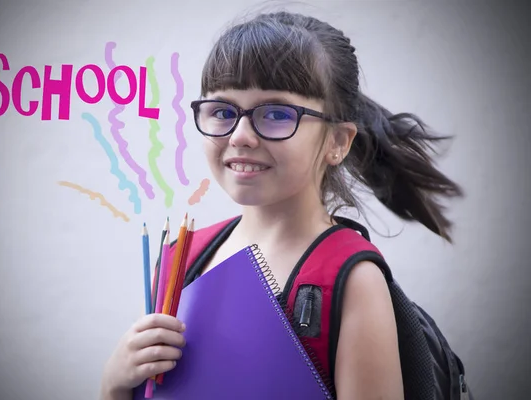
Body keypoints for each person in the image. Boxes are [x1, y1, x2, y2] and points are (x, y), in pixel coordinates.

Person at [99, 10, 462, 400]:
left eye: (275, 114)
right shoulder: (180, 261)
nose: (240, 135)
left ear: (338, 141)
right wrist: (115, 383)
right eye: (222, 112)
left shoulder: (353, 278)